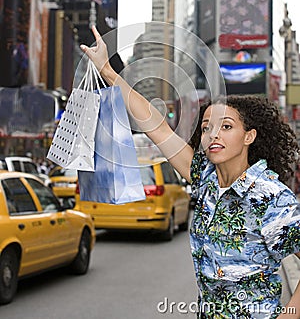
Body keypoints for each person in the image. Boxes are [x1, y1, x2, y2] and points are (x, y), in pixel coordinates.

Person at [80, 26, 300, 319]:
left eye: (226, 127)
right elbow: (156, 125)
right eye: (207, 127)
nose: (212, 135)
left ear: (249, 137)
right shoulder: (204, 178)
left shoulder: (271, 197)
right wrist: (107, 70)